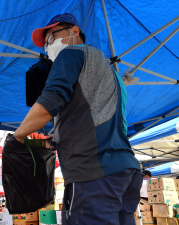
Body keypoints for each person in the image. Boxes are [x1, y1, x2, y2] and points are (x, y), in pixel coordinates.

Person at [13, 13, 141, 225]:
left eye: (51, 37)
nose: (48, 46)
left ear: (74, 31)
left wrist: (18, 135)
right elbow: (98, 115)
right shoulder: (113, 75)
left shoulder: (71, 53)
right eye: (45, 44)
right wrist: (60, 135)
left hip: (94, 172)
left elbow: (51, 99)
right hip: (126, 170)